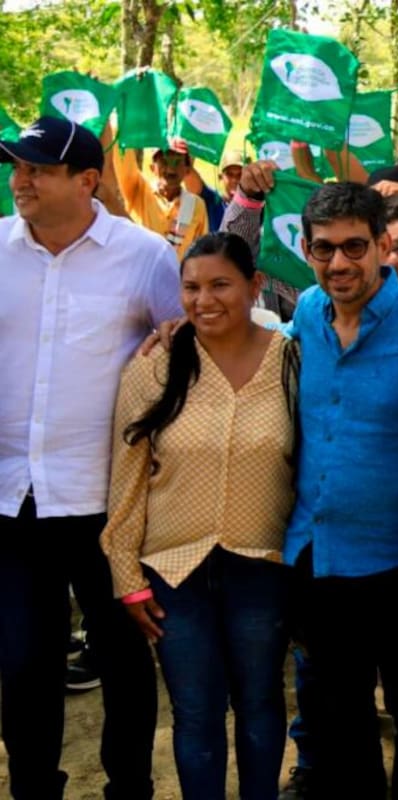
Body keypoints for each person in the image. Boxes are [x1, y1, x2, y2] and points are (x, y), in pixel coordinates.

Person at [0, 115, 177, 800]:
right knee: (21, 663)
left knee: (125, 659)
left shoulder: (143, 257)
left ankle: (129, 788)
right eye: (17, 168)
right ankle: (33, 789)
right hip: (13, 500)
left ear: (87, 181)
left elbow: (187, 348)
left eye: (38, 170)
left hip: (112, 505)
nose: (21, 180)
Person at [101, 232, 297, 800]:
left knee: (260, 705)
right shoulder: (155, 365)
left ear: (254, 286)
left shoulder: (292, 359)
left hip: (263, 565)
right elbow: (128, 478)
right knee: (196, 714)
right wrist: (127, 579)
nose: (203, 300)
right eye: (190, 288)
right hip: (172, 572)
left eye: (220, 285)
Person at [286, 182, 398, 798]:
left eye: (355, 247)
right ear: (306, 251)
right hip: (319, 560)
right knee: (339, 723)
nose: (339, 263)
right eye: (324, 249)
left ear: (383, 246)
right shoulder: (306, 312)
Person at [112, 140, 210, 260]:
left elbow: (201, 255)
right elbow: (123, 158)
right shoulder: (138, 189)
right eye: (164, 161)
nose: (170, 168)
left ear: (187, 170)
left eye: (177, 162)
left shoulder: (196, 206)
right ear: (152, 168)